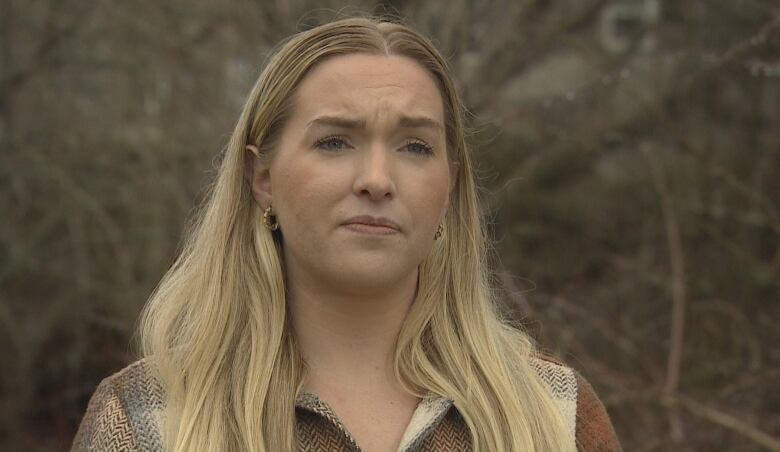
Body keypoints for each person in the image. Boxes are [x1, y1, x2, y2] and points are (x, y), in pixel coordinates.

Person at [71, 16, 621, 452]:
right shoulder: (147, 420)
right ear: (261, 179)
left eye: (415, 146)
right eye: (336, 141)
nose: (377, 180)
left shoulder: (552, 414)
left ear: (450, 189)